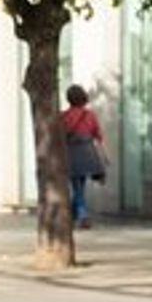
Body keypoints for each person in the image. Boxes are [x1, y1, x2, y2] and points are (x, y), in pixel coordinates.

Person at [61, 85, 108, 230]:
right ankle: (75, 214)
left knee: (77, 186)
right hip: (88, 153)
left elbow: (60, 137)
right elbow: (99, 137)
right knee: (79, 186)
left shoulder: (63, 116)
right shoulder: (90, 115)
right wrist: (105, 156)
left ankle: (82, 215)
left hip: (72, 153)